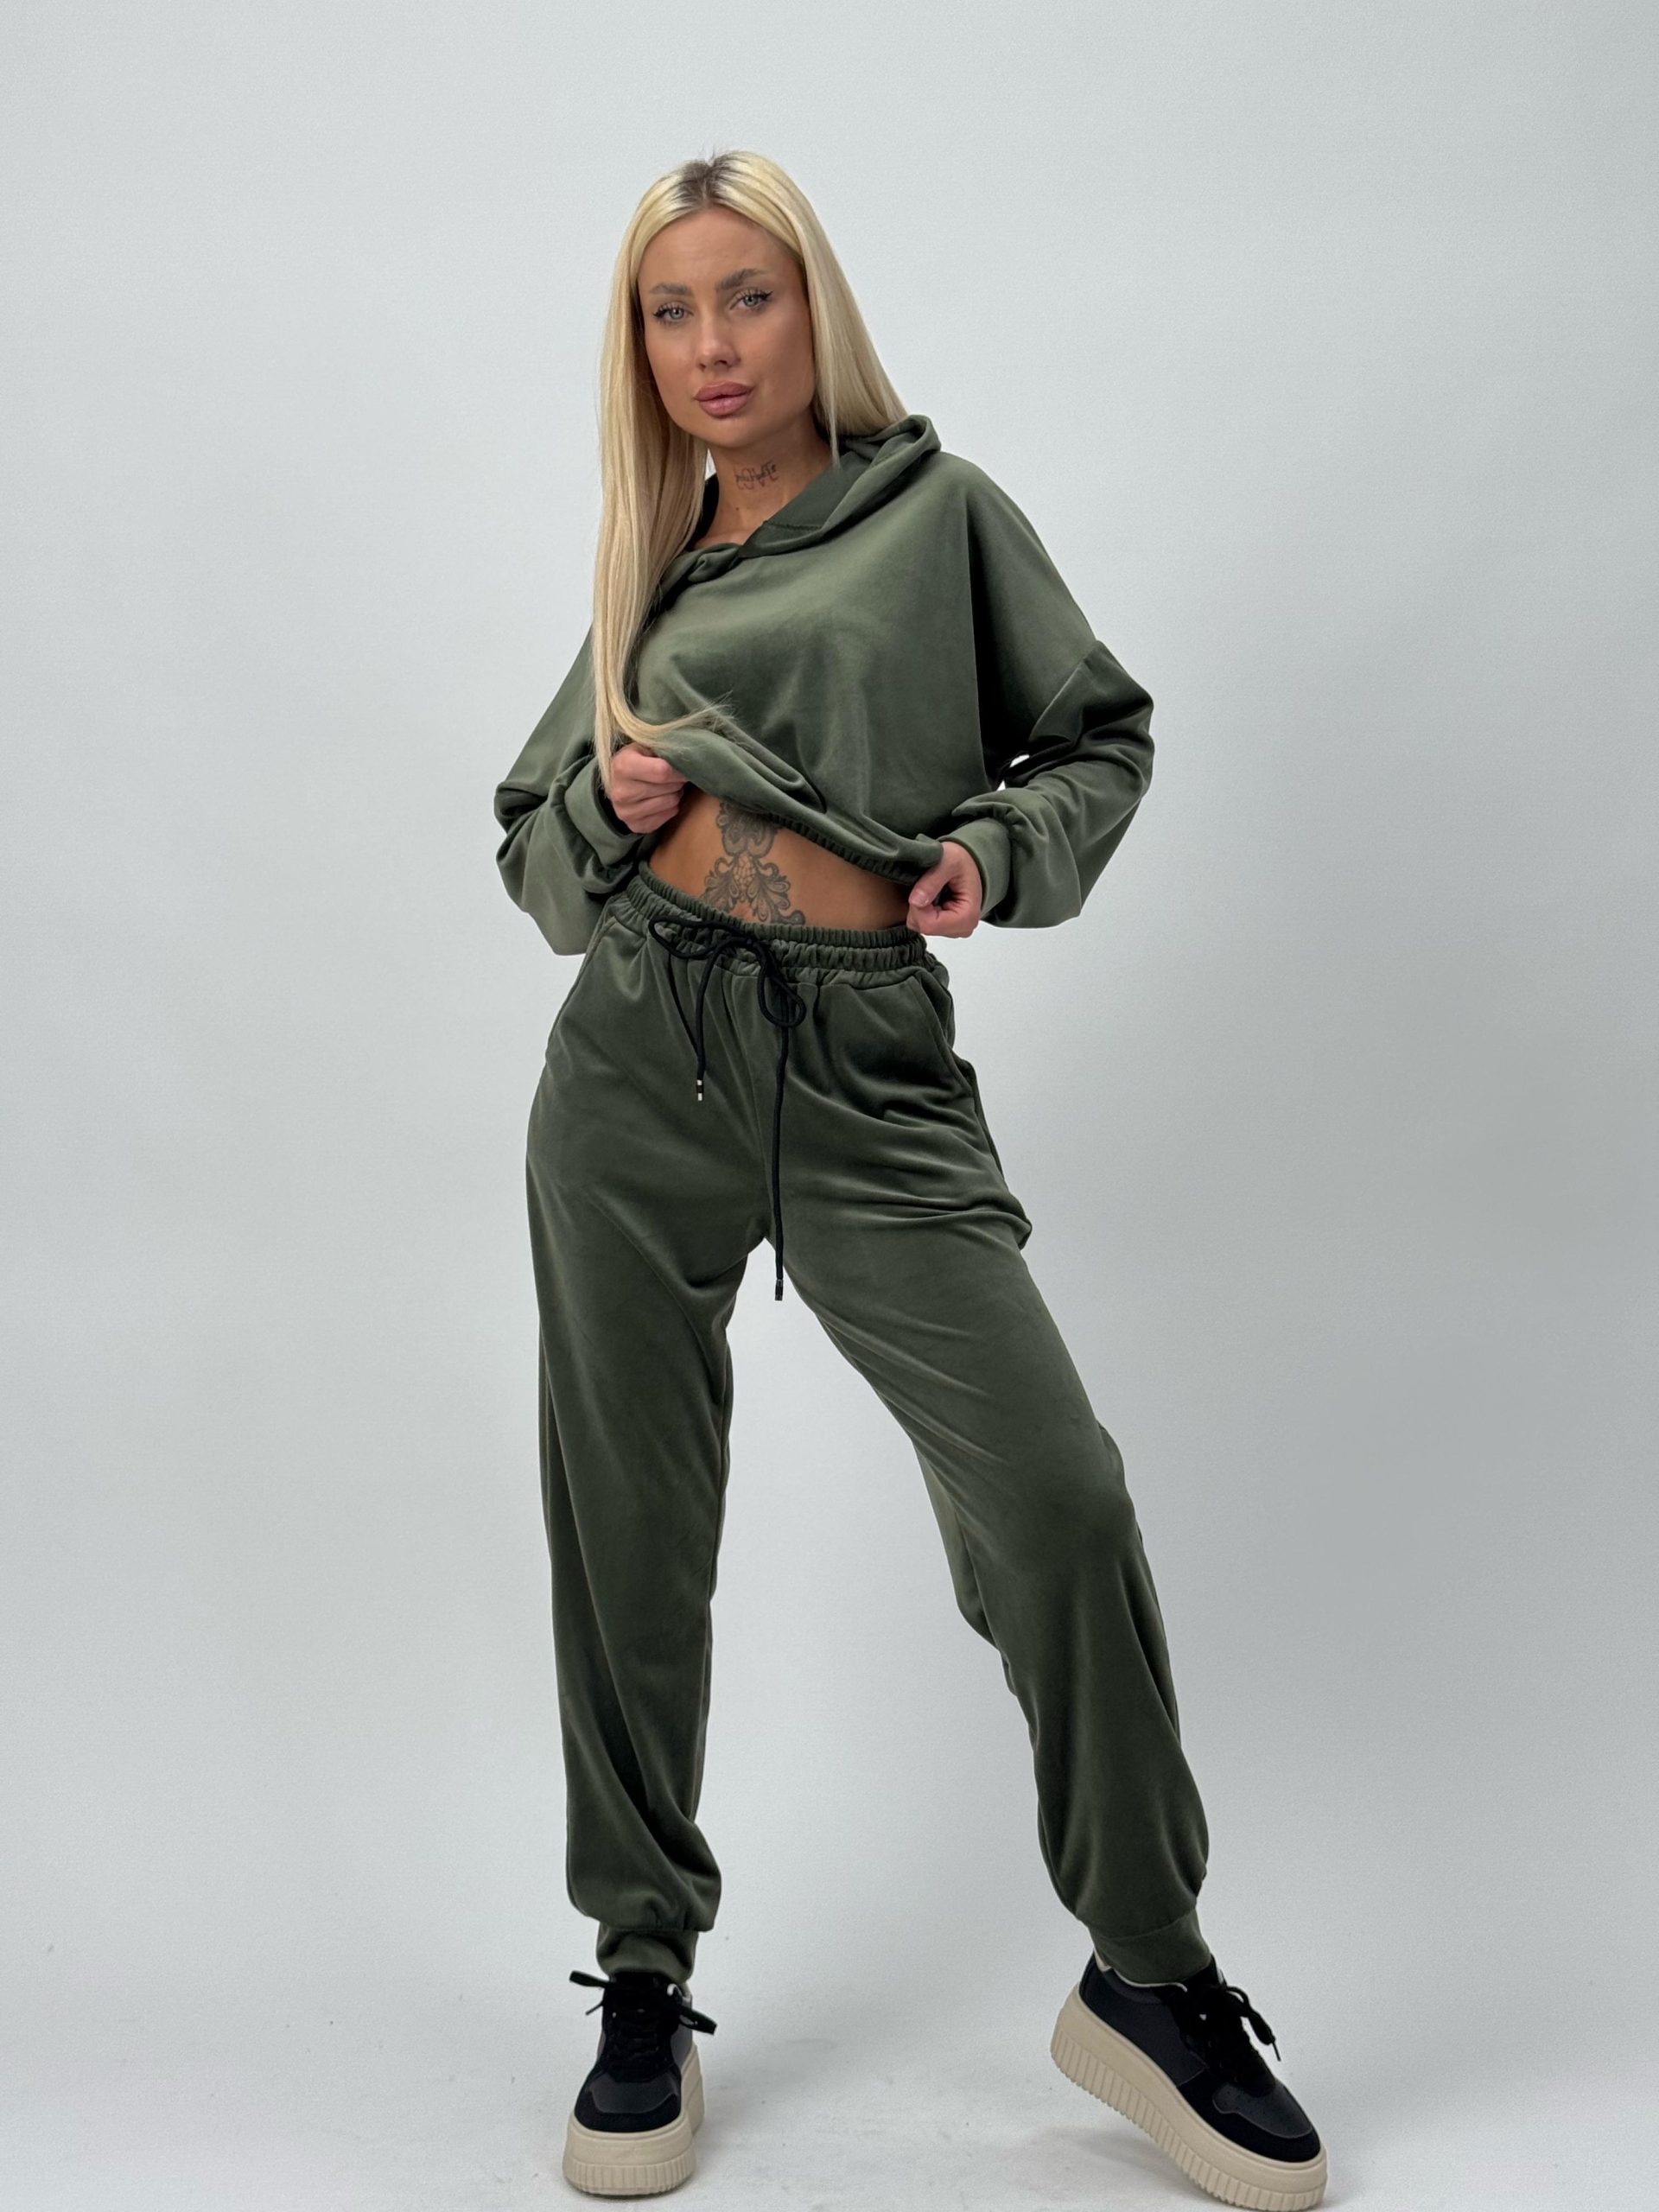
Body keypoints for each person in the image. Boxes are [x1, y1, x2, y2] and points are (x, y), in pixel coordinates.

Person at [492, 149, 1327, 2209]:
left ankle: (1149, 1970)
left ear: (815, 308)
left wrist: (996, 857)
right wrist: (605, 801)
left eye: (747, 296)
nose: (712, 345)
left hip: (869, 1077)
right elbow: (530, 859)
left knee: (1056, 1495)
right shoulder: (644, 566)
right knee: (628, 1529)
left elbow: (1099, 736)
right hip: (637, 1068)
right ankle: (641, 1967)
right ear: (639, 346)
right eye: (671, 310)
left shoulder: (940, 515)